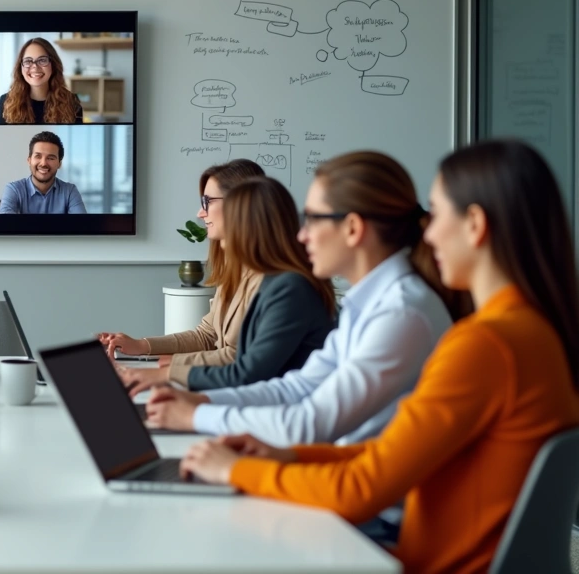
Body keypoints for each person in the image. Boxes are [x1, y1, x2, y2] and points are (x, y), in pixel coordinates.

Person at [179, 140, 579, 574]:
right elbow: (382, 454)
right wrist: (288, 458)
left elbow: (360, 487)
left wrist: (237, 470)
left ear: (475, 225)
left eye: (438, 213)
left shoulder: (482, 344)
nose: (426, 232)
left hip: (421, 559)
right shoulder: (529, 331)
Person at [144, 152, 459, 448]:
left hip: (369, 498)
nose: (302, 235)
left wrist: (195, 415)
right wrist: (204, 402)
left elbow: (310, 423)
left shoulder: (400, 314)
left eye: (313, 219)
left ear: (352, 228)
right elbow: (298, 387)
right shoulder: (364, 304)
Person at [118, 177, 336, 394]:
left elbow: (246, 370)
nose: (202, 215)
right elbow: (221, 346)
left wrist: (167, 373)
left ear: (251, 226)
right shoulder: (270, 281)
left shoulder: (288, 288)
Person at [99, 159, 265, 368]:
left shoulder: (269, 280)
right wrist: (140, 345)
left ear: (240, 203)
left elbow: (237, 356)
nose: (200, 213)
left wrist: (167, 367)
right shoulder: (233, 271)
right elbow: (205, 336)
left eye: (208, 202)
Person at [0, 37, 84, 124]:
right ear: (20, 68)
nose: (35, 67)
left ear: (53, 65)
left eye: (42, 60)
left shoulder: (72, 102)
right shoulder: (5, 102)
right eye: (28, 61)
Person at [0, 131, 86, 214]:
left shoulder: (69, 191)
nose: (43, 163)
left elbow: (82, 227)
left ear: (59, 164)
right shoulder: (13, 189)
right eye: (38, 156)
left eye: (50, 158)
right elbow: (5, 227)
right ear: (29, 160)